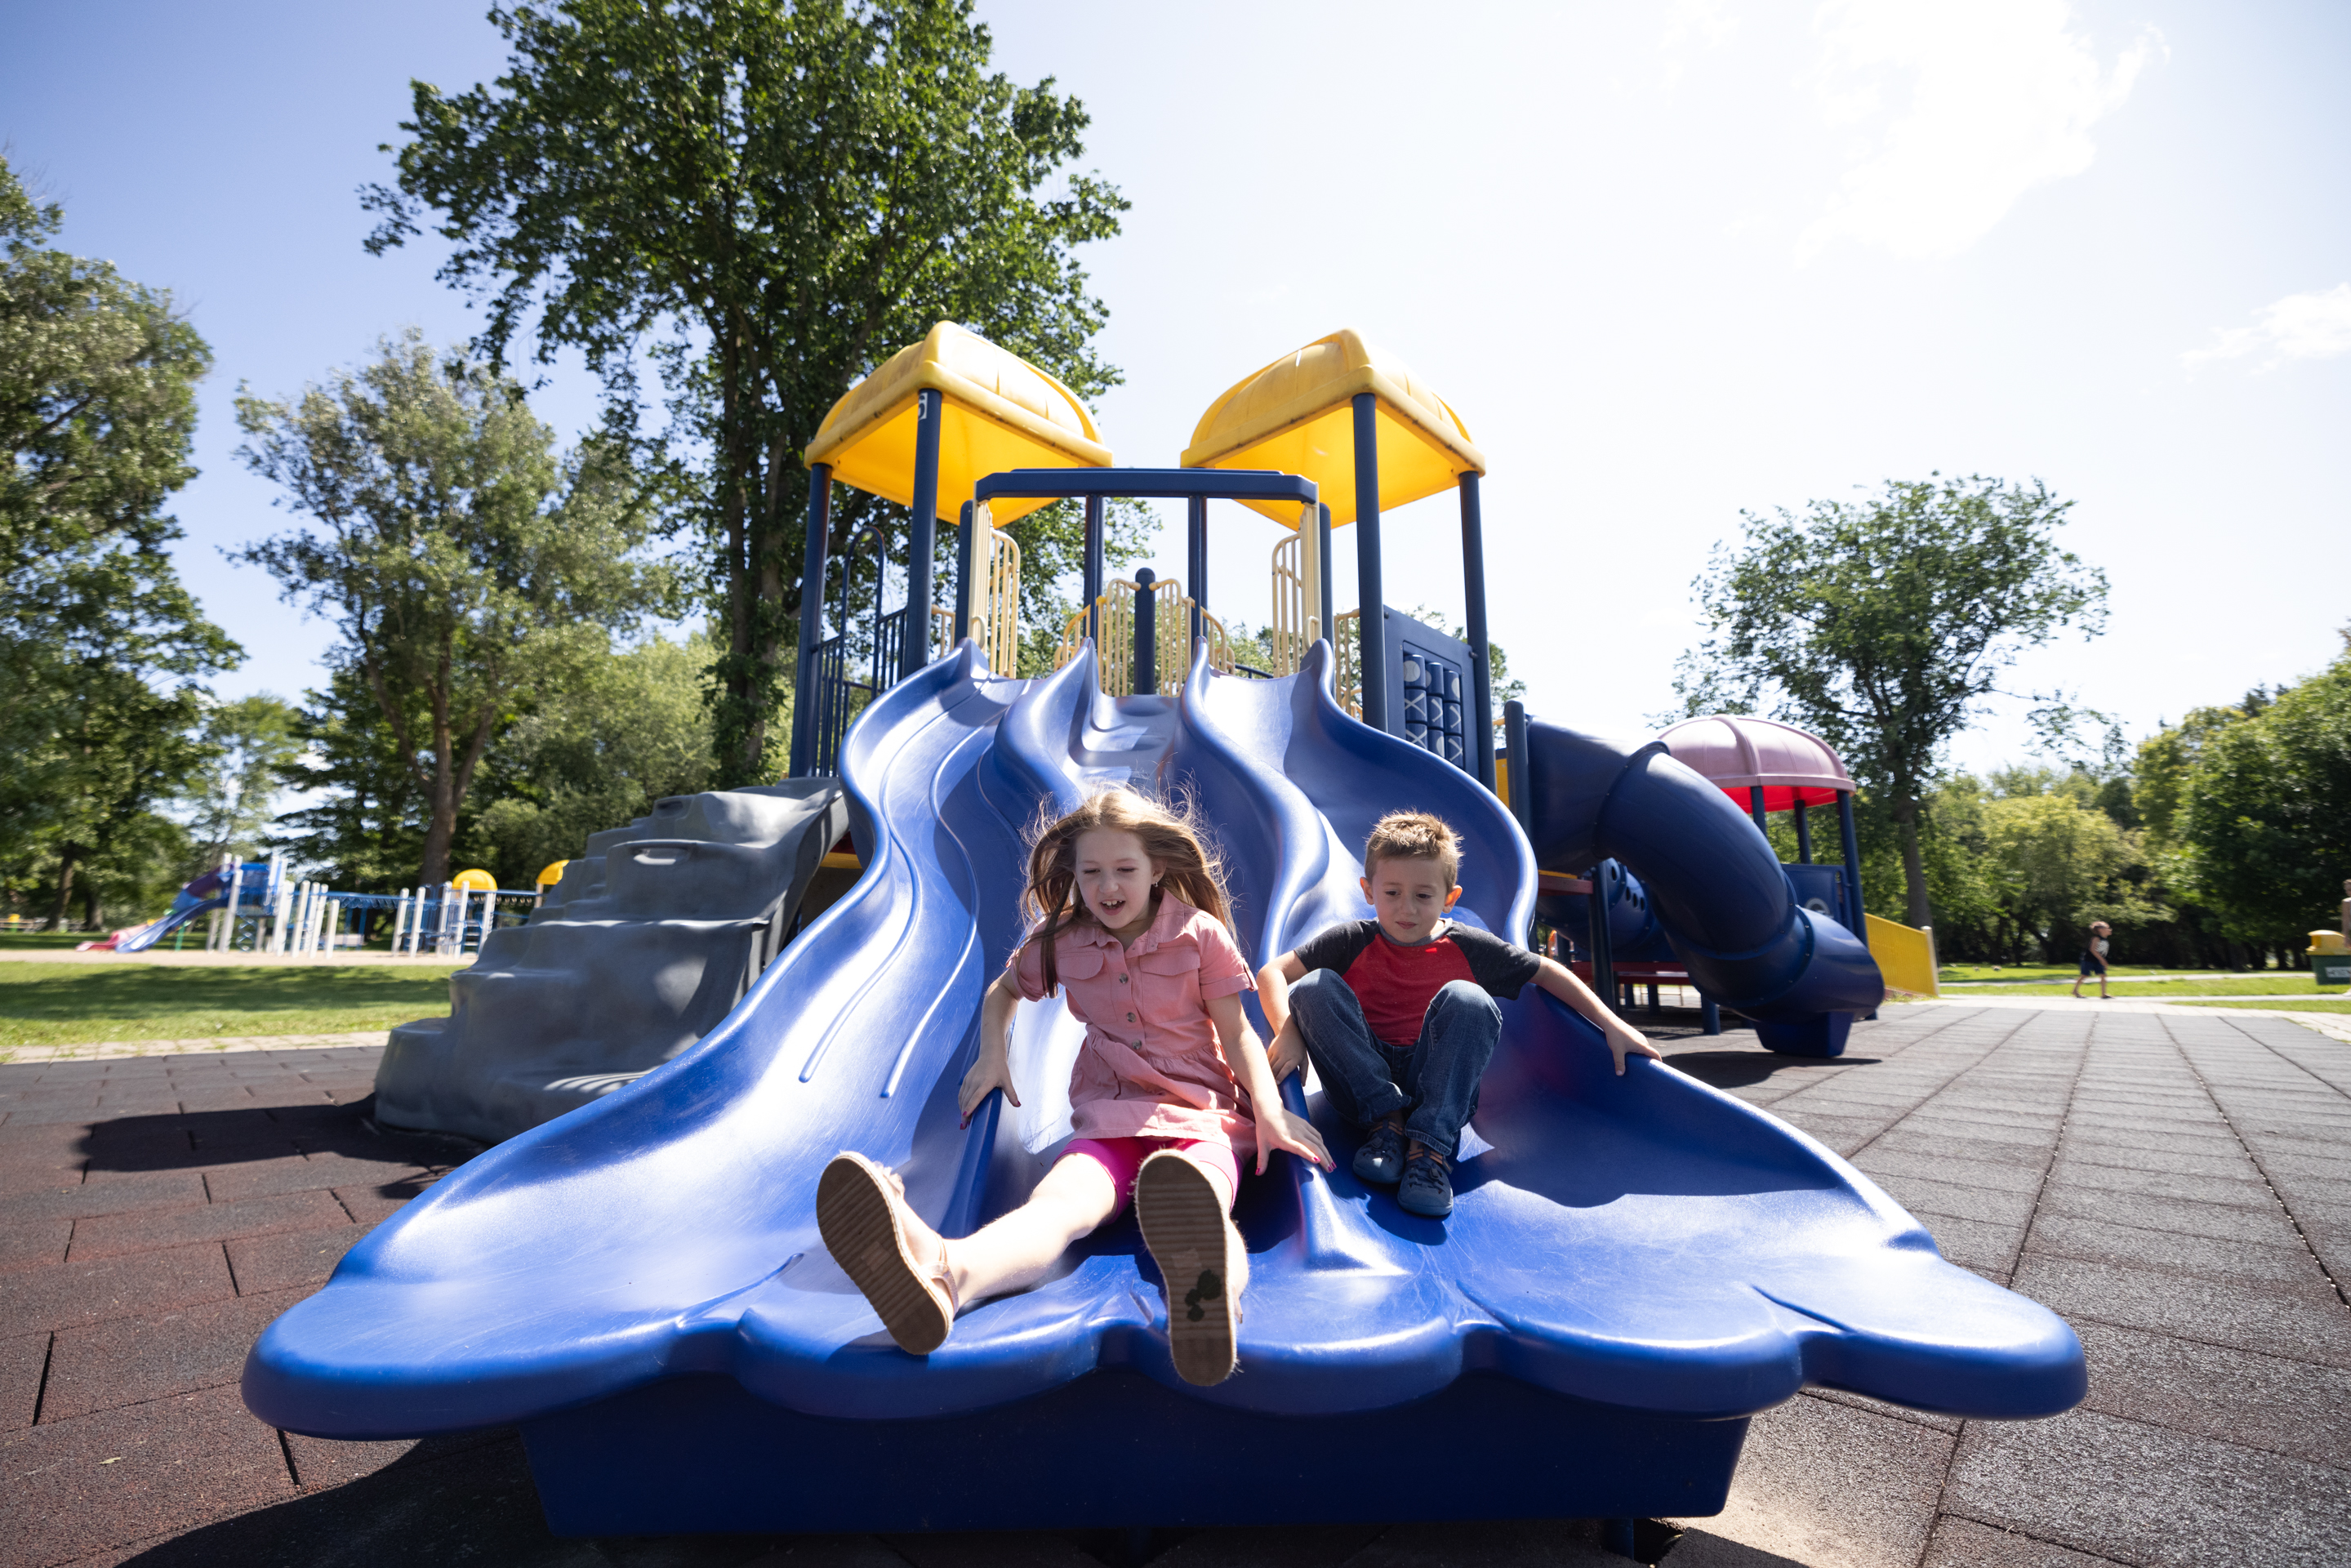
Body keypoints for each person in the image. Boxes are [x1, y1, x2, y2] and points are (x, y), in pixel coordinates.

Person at [816, 790, 1331, 1388]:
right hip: (1110, 1117)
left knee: (1202, 1202)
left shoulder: (1199, 935)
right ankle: (947, 1275)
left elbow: (1237, 1032)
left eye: (1124, 869)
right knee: (1055, 1210)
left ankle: (1211, 1303)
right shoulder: (1060, 941)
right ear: (1074, 875)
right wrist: (991, 1057)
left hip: (1201, 1117)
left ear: (1157, 868)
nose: (1107, 886)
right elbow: (1003, 993)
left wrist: (1267, 1110)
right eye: (1090, 873)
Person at [1255, 811, 1662, 1219]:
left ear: (1450, 897)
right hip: (1361, 1085)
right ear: (1368, 890)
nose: (1406, 909)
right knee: (1314, 986)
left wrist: (1613, 1024)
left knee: (1470, 999)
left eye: (1423, 895)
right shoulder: (1351, 940)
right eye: (1392, 892)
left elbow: (1546, 970)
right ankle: (1387, 1123)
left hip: (1436, 1082)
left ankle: (1428, 1150)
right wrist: (1288, 1029)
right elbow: (1272, 972)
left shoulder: (1466, 945)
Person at [2072, 920, 2113, 1000]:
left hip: (2098, 960)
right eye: (2107, 928)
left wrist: (2103, 961)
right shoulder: (2096, 938)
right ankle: (2075, 991)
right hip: (2088, 960)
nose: (2110, 929)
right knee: (2084, 975)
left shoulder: (2105, 940)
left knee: (2103, 975)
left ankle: (2103, 994)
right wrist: (2102, 960)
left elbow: (2103, 953)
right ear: (2100, 930)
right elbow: (2093, 950)